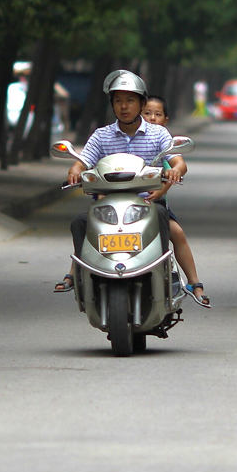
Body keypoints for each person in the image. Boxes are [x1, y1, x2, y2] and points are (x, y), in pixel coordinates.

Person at [54, 71, 208, 305]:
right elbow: (81, 162)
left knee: (170, 226)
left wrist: (175, 170)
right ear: (112, 104)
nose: (124, 106)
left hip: (149, 203)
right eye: (118, 101)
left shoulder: (158, 133)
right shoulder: (101, 136)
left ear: (141, 104)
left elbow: (179, 162)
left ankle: (177, 278)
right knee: (80, 223)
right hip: (107, 205)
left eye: (130, 100)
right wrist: (75, 171)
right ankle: (80, 273)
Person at [140, 95, 209, 306]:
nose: (152, 118)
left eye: (157, 114)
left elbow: (176, 168)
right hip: (119, 204)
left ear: (165, 120)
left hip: (151, 204)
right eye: (147, 113)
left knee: (177, 233)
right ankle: (74, 273)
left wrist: (159, 191)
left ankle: (194, 283)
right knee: (88, 224)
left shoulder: (163, 142)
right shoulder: (116, 138)